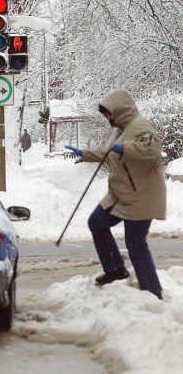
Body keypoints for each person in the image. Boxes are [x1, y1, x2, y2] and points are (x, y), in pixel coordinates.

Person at [65, 90, 164, 299]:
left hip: (140, 196)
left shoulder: (140, 126)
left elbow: (152, 150)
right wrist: (85, 153)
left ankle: (153, 292)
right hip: (121, 194)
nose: (107, 118)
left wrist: (126, 148)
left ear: (120, 110)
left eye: (109, 114)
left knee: (135, 242)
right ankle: (115, 270)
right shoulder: (121, 129)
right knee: (97, 223)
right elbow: (109, 152)